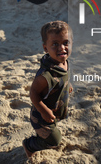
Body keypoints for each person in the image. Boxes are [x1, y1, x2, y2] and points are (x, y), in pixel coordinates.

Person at [23, 20, 73, 158]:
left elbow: (63, 77)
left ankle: (41, 137)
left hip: (54, 109)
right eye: (55, 44)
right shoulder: (46, 75)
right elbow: (33, 93)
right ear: (45, 48)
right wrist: (44, 111)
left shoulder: (63, 62)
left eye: (65, 43)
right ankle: (29, 145)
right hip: (41, 116)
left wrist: (67, 86)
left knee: (51, 132)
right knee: (54, 141)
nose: (62, 48)